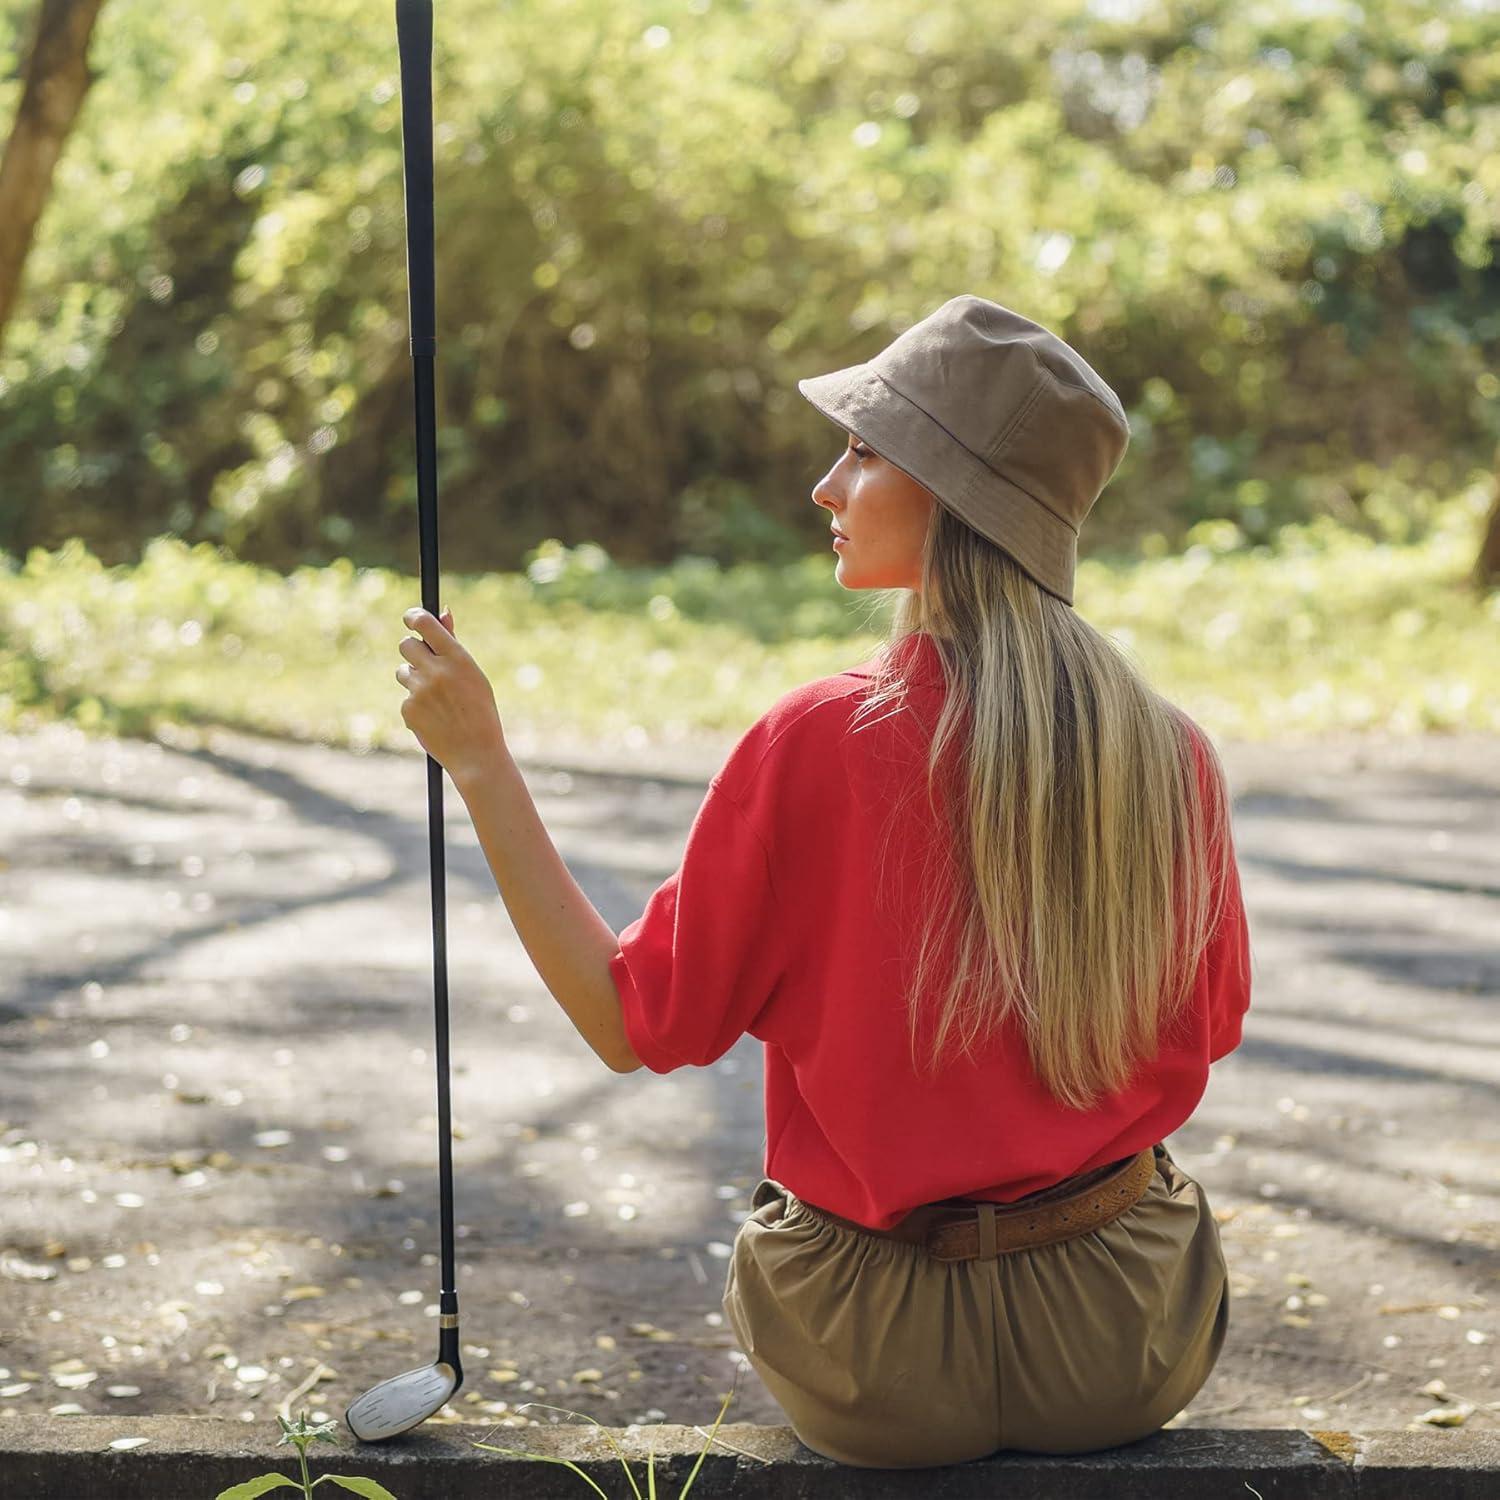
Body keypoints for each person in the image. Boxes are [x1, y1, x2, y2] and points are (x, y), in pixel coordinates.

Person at [605, 294, 1252, 1468]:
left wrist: (482, 763)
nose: (825, 486)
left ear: (952, 495)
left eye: (862, 448)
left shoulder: (816, 742)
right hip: (1122, 1341)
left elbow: (630, 1019)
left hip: (873, 1362)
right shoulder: (1168, 754)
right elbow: (1206, 1031)